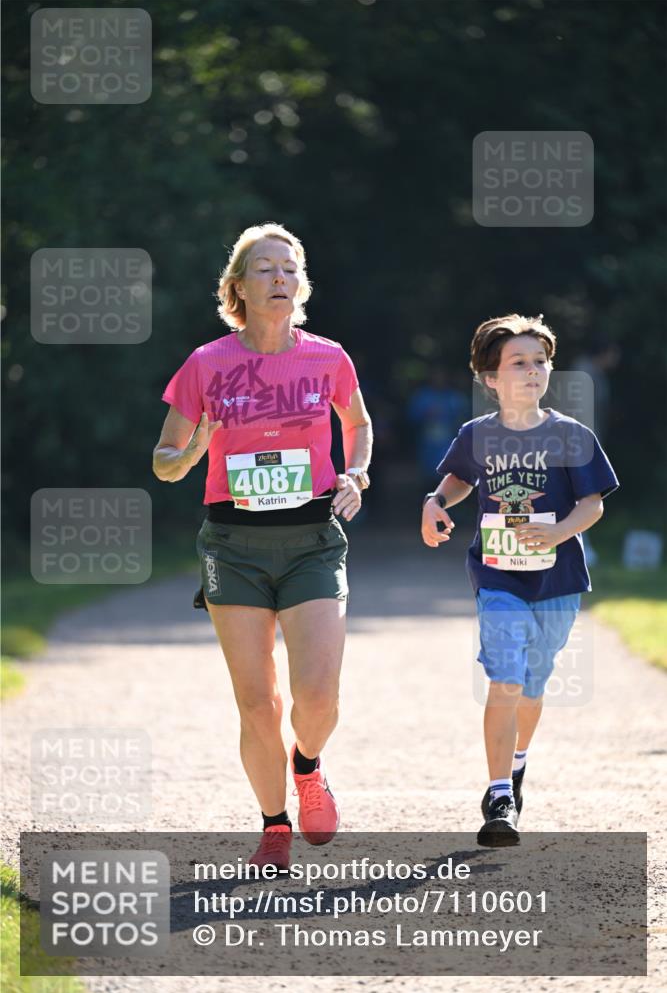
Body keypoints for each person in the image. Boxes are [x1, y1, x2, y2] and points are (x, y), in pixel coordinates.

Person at [153, 223, 372, 870]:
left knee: (318, 694)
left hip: (311, 541)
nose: (280, 279)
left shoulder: (328, 358)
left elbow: (357, 425)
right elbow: (164, 463)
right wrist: (195, 447)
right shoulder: (205, 364)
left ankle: (308, 767)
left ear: (300, 284)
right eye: (266, 269)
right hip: (233, 546)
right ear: (238, 288)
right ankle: (274, 826)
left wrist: (355, 475)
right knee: (256, 703)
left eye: (289, 269)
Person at [420, 314, 618, 848]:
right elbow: (459, 479)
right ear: (490, 377)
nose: (532, 372)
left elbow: (592, 505)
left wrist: (556, 535)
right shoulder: (476, 435)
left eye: (540, 362)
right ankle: (500, 794)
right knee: (505, 675)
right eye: (518, 363)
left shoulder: (571, 435)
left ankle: (519, 760)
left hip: (558, 580)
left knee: (532, 683)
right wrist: (435, 503)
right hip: (496, 575)